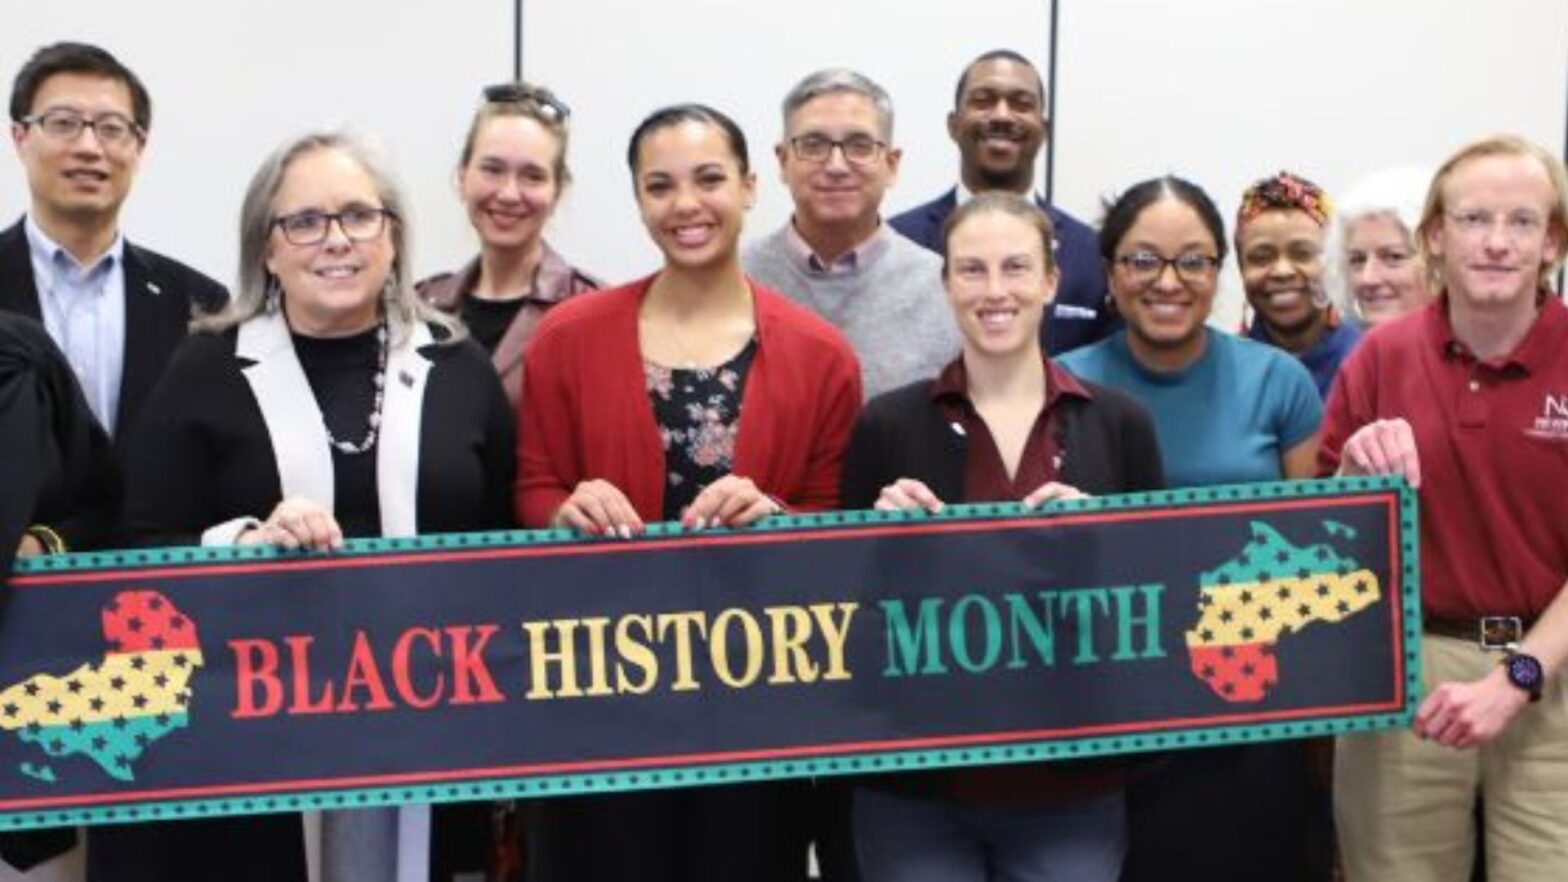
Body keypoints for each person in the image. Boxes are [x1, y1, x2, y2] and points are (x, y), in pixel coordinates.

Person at [111, 132, 516, 882]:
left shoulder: (458, 366)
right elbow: (141, 546)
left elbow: (506, 543)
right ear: (266, 249)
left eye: (359, 216)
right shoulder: (207, 367)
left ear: (393, 236)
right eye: (304, 221)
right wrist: (246, 539)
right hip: (252, 737)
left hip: (428, 724)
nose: (335, 240)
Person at [517, 103, 861, 882]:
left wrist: (776, 518)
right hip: (601, 695)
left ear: (749, 186)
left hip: (755, 702)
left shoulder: (822, 356)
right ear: (638, 201)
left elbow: (835, 522)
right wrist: (566, 511)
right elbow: (535, 485)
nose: (686, 205)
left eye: (709, 180)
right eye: (660, 186)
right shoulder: (567, 339)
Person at [842, 191, 1162, 882]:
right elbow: (846, 620)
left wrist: (1103, 548)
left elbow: (1157, 612)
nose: (995, 291)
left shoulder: (1120, 424)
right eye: (972, 270)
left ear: (1050, 281)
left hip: (1072, 783)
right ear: (946, 284)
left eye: (1016, 268)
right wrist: (882, 543)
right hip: (915, 785)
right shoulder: (886, 426)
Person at [1059, 176, 1328, 882]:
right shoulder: (1059, 386)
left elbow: (1310, 555)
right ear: (1111, 273)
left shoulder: (1280, 382)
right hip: (1105, 715)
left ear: (1219, 272)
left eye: (1194, 261)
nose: (1168, 282)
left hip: (1250, 706)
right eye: (1143, 260)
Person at [1322, 135, 1568, 882]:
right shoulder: (1379, 358)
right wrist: (1356, 473)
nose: (1497, 241)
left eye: (1522, 222)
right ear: (1435, 235)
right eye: (1473, 219)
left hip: (1554, 668)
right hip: (1404, 673)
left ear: (1552, 240)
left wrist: (1518, 677)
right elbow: (1323, 543)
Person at [3, 41, 226, 544]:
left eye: (110, 129)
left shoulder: (201, 303)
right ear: (20, 138)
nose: (89, 147)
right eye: (62, 123)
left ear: (138, 148)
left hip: (165, 583)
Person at [744, 68, 958, 400]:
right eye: (813, 145)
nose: (836, 166)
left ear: (892, 164)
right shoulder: (736, 280)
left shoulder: (945, 289)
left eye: (859, 145)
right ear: (783, 161)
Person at [890, 49, 1114, 356]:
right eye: (983, 100)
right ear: (953, 125)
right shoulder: (898, 242)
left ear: (1044, 130)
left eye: (1021, 104)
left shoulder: (1091, 254)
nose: (1001, 115)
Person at [419, 81, 599, 408]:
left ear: (557, 191)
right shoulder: (420, 307)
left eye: (532, 175)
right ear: (462, 178)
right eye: (492, 169)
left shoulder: (593, 312)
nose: (509, 194)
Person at [1236, 171, 1361, 398]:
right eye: (1262, 257)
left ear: (1334, 261)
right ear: (1241, 267)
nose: (1282, 271)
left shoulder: (1368, 361)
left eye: (1303, 254)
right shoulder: (1221, 372)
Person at [1327, 166, 1436, 327]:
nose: (1368, 278)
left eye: (1393, 257)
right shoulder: (1352, 351)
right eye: (1357, 260)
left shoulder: (1480, 348)